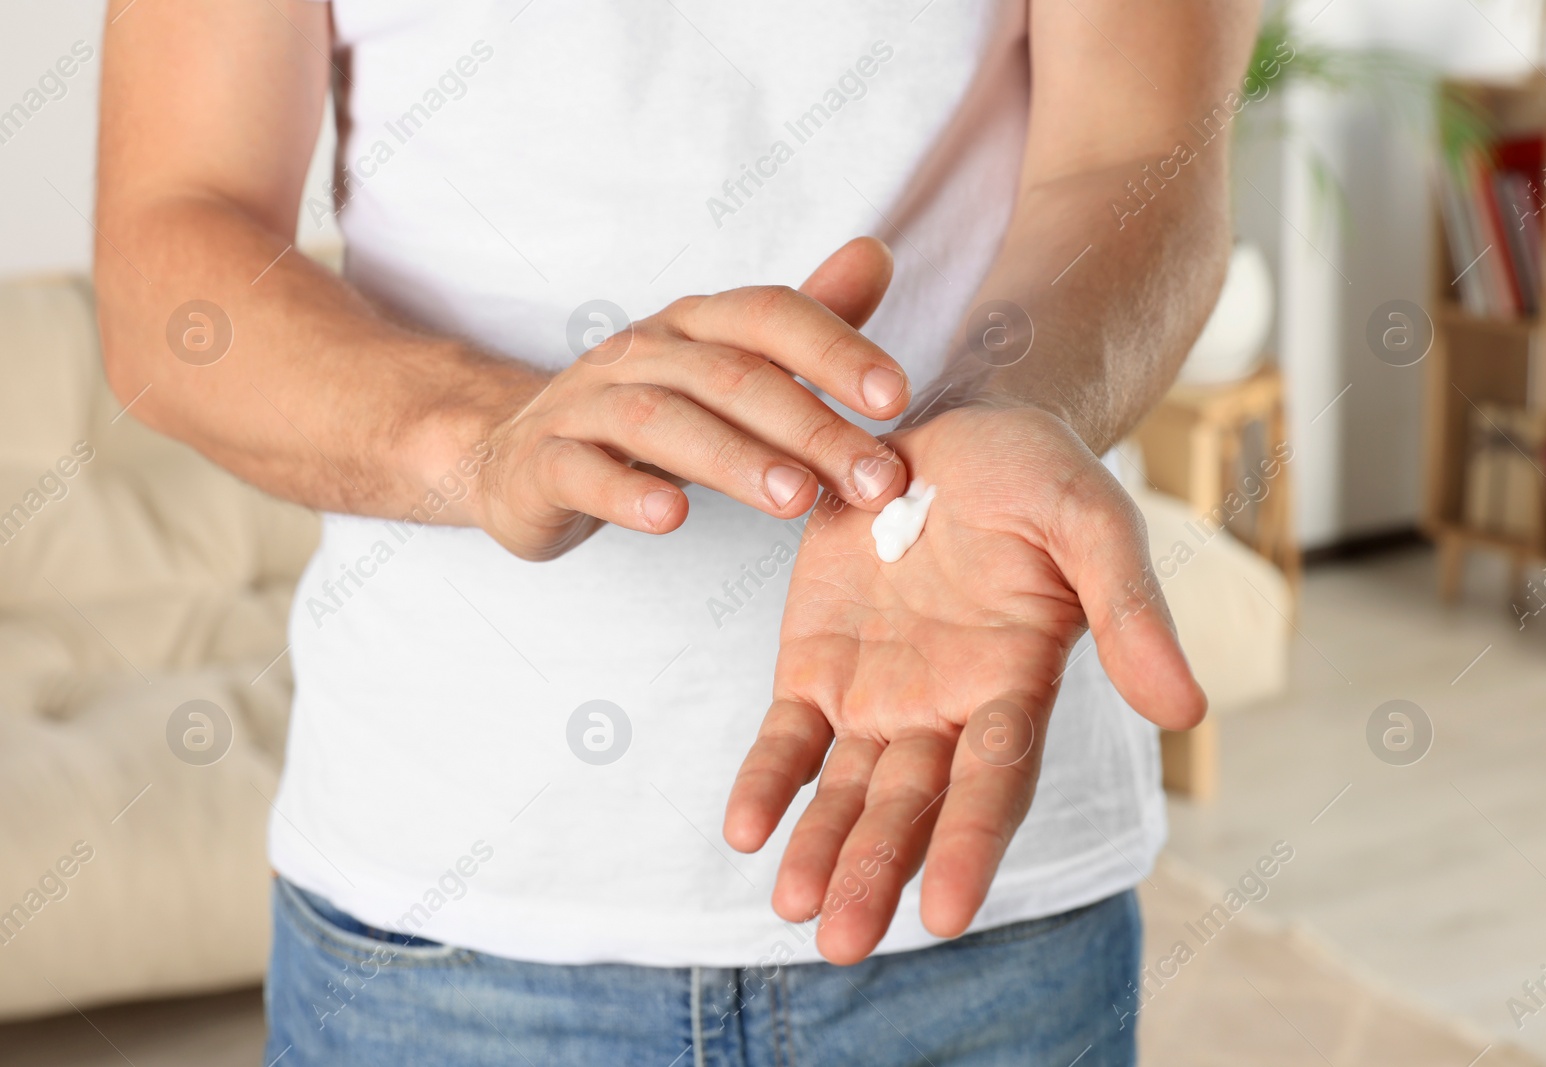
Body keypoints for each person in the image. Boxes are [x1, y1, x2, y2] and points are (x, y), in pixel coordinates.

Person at [95, 1, 1255, 1063]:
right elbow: (173, 237)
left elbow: (1139, 153)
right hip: (444, 926)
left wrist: (1007, 404)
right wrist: (488, 437)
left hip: (977, 856)